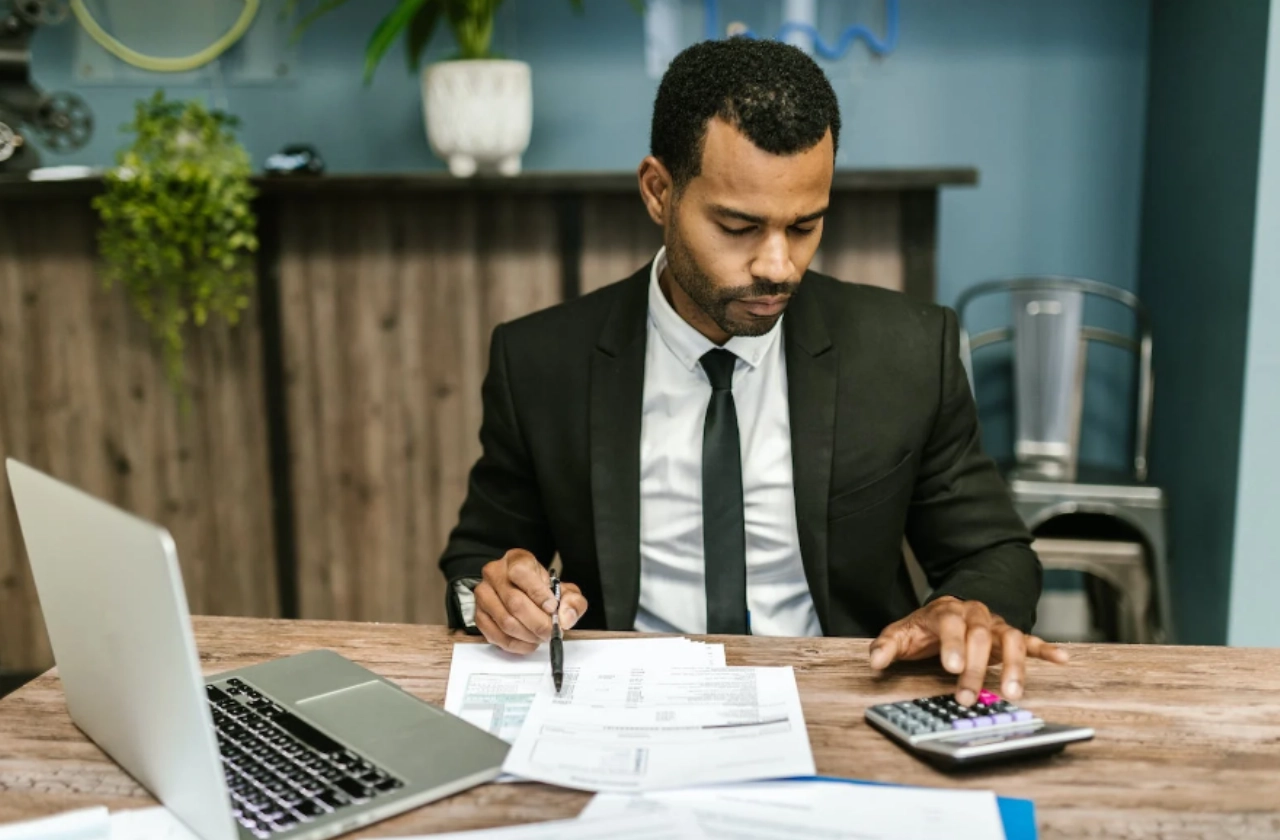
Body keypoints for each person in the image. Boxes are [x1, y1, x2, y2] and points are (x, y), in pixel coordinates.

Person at [439, 37, 1067, 706]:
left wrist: (964, 606)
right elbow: (478, 562)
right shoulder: (541, 361)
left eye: (804, 226)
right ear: (659, 192)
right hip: (623, 706)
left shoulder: (909, 352)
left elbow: (996, 554)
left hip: (846, 701)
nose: (777, 265)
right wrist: (495, 597)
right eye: (738, 226)